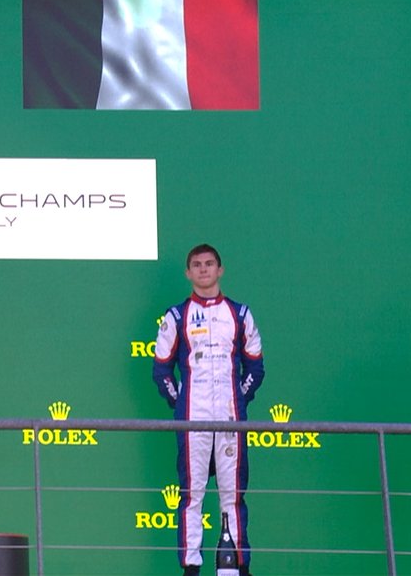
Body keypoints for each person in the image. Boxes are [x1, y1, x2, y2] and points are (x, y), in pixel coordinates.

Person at [153, 244, 264, 576]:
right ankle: (191, 569)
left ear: (220, 270)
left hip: (231, 421)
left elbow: (256, 368)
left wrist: (239, 399)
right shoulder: (176, 316)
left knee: (233, 496)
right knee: (191, 496)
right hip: (193, 421)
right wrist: (181, 403)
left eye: (209, 263)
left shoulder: (240, 314)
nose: (203, 269)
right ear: (188, 273)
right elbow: (161, 371)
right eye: (197, 265)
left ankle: (239, 567)